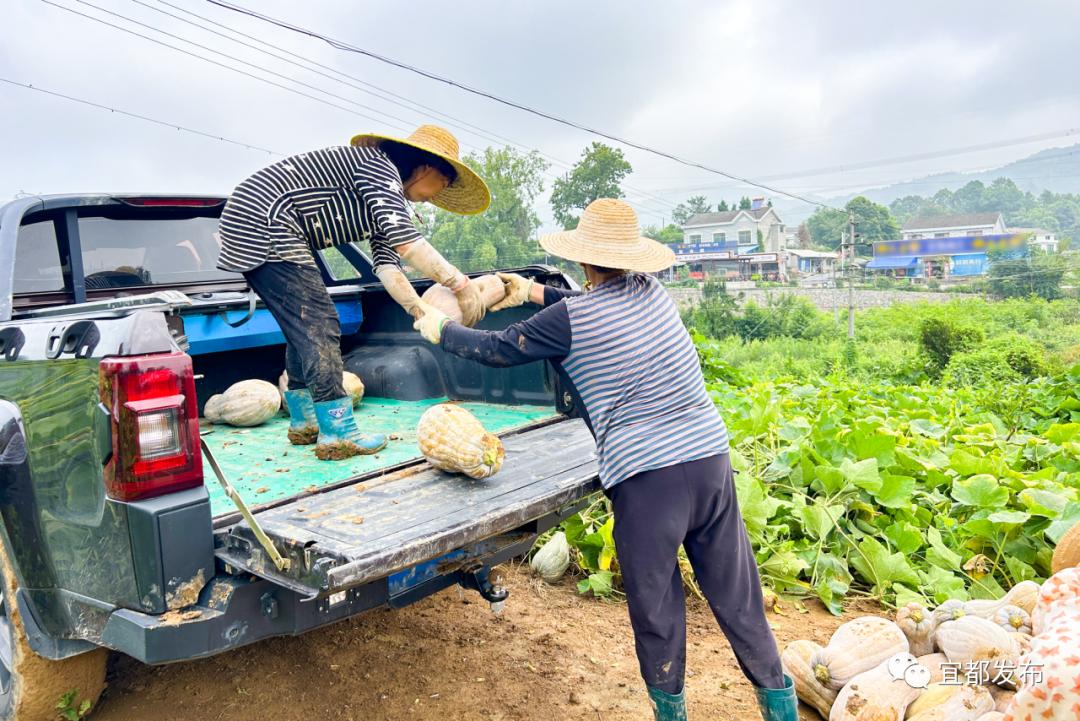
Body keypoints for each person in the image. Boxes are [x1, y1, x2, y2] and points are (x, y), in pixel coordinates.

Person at [412, 198, 797, 721]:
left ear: (585, 260)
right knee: (738, 595)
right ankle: (780, 706)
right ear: (632, 259)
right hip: (708, 462)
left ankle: (672, 712)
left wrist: (441, 329)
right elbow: (589, 305)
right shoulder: (654, 293)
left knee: (658, 612)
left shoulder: (569, 318)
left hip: (647, 481)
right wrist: (531, 290)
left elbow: (500, 348)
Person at [216, 125, 491, 461]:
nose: (435, 196)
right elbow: (409, 246)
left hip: (262, 221)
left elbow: (389, 267)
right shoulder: (379, 166)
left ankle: (305, 422)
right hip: (263, 218)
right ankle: (338, 432)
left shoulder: (387, 198)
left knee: (304, 326)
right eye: (442, 185)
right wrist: (460, 284)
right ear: (426, 168)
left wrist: (420, 311)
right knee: (320, 322)